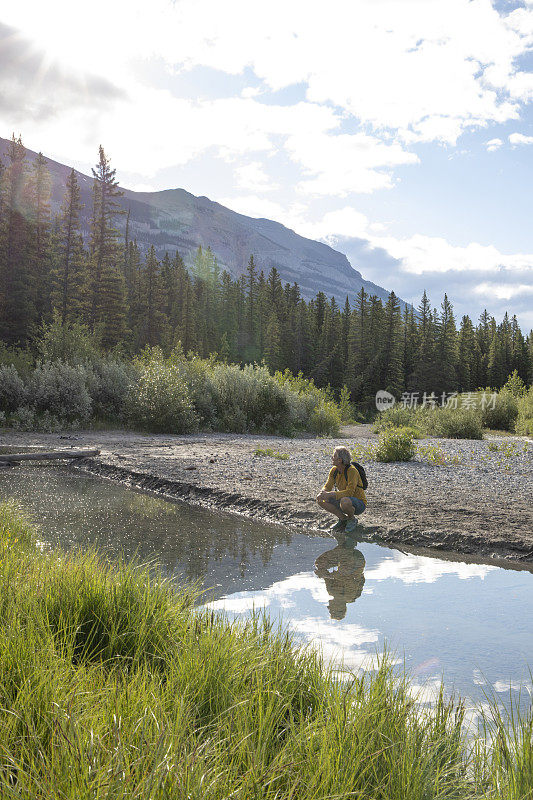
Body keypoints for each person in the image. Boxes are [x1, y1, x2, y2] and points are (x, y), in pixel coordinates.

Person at [316, 446, 367, 534]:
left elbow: (350, 492)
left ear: (340, 460)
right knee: (320, 499)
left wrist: (331, 494)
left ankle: (352, 519)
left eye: (334, 456)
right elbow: (328, 486)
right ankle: (343, 519)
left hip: (359, 503)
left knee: (345, 501)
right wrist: (323, 492)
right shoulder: (334, 470)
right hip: (343, 499)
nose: (332, 458)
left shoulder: (352, 471)